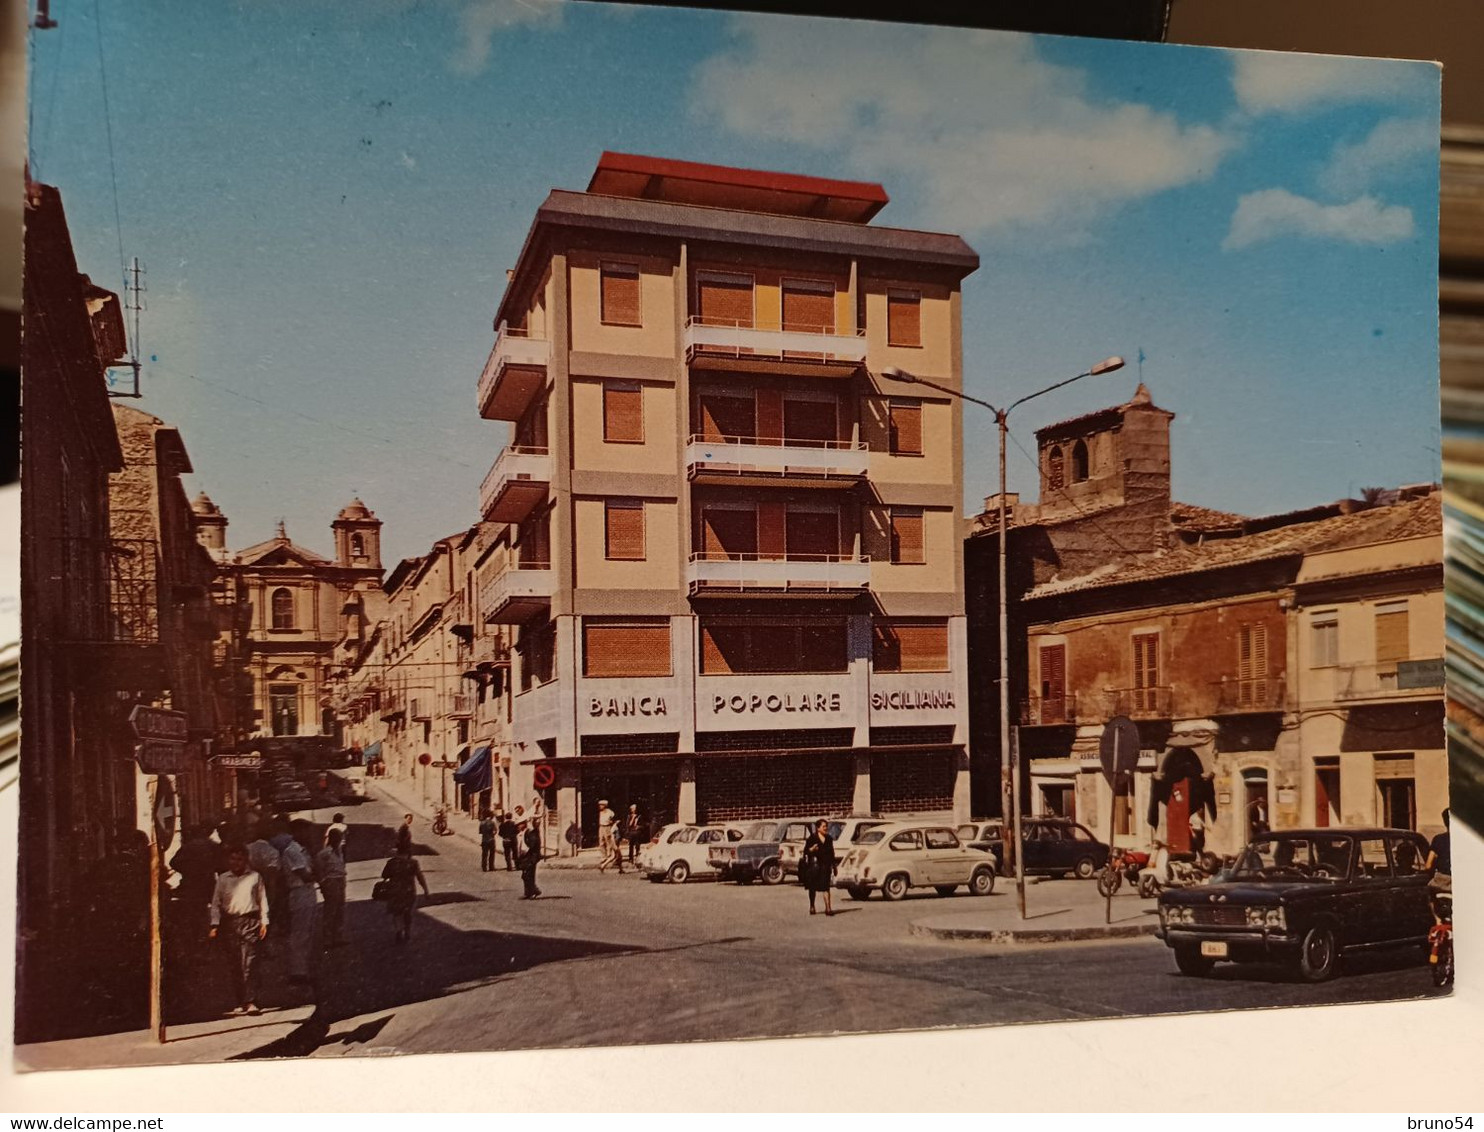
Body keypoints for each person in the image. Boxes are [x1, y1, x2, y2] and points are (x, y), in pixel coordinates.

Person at [209, 844, 269, 1016]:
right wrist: (214, 925)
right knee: (235, 964)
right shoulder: (222, 879)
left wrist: (264, 921)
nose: (236, 863)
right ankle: (240, 999)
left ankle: (250, 1001)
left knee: (249, 963)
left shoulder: (255, 877)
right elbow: (216, 904)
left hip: (250, 922)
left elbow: (262, 899)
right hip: (230, 924)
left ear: (246, 860)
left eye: (240, 859)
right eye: (233, 859)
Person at [170, 824, 223, 946]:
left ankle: (195, 941)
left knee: (194, 913)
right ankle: (209, 939)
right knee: (211, 911)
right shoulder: (212, 846)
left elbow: (173, 863)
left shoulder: (188, 847)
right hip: (208, 883)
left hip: (191, 884)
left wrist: (188, 870)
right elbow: (221, 865)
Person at [281, 820, 319, 984]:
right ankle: (297, 972)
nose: (309, 835)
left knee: (307, 933)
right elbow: (306, 875)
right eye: (306, 831)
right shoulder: (293, 851)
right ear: (297, 832)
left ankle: (303, 970)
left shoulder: (303, 850)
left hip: (307, 893)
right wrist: (317, 875)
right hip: (299, 893)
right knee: (300, 934)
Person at [381, 843, 428, 942]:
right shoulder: (413, 863)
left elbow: (384, 875)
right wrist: (425, 889)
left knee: (397, 912)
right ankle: (407, 931)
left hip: (395, 891)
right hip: (409, 891)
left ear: (397, 852)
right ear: (408, 852)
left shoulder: (391, 863)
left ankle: (399, 930)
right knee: (408, 912)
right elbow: (420, 877)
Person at [315, 828, 348, 948]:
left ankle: (338, 937)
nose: (339, 840)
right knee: (330, 911)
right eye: (337, 838)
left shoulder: (340, 851)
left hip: (341, 881)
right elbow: (318, 869)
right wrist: (323, 883)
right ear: (331, 838)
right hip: (331, 882)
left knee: (340, 910)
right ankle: (327, 939)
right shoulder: (324, 853)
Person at [800, 818, 837, 916]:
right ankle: (812, 906)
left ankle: (828, 908)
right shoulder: (812, 838)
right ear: (818, 828)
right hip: (814, 867)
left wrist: (834, 866)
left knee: (826, 887)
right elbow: (805, 852)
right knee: (812, 888)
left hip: (825, 866)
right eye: (823, 827)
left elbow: (832, 853)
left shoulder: (829, 839)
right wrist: (811, 849)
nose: (826, 828)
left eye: (826, 826)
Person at [519, 819, 542, 899]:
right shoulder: (523, 833)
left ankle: (533, 892)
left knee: (529, 875)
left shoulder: (531, 832)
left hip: (531, 857)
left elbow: (532, 845)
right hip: (525, 857)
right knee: (525, 875)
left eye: (520, 824)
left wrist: (525, 851)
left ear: (524, 824)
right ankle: (528, 892)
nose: (518, 826)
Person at [596, 800, 622, 873]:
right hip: (601, 827)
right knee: (601, 841)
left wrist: (611, 823)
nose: (600, 806)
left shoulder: (610, 812)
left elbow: (612, 820)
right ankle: (604, 858)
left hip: (607, 827)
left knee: (608, 842)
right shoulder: (600, 812)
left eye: (601, 805)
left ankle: (608, 857)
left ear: (605, 805)